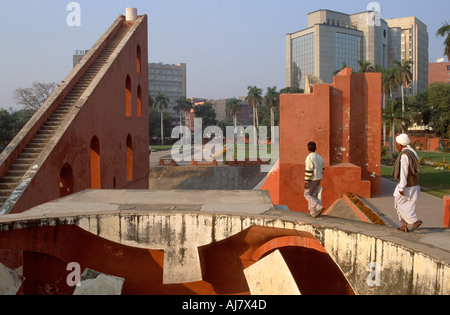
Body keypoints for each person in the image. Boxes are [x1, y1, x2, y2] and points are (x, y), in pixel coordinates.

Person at [392, 134, 423, 232]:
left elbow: (404, 172)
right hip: (414, 185)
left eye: (397, 144)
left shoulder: (405, 155)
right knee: (409, 205)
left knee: (398, 203)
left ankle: (415, 221)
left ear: (401, 144)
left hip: (408, 185)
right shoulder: (411, 152)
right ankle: (404, 225)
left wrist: (401, 188)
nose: (396, 146)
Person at [304, 142, 325, 218]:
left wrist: (306, 181)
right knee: (313, 195)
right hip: (318, 178)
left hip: (312, 179)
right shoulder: (319, 157)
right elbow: (323, 167)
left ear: (308, 148)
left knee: (307, 194)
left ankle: (318, 206)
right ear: (315, 148)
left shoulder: (309, 158)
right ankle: (313, 213)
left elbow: (309, 170)